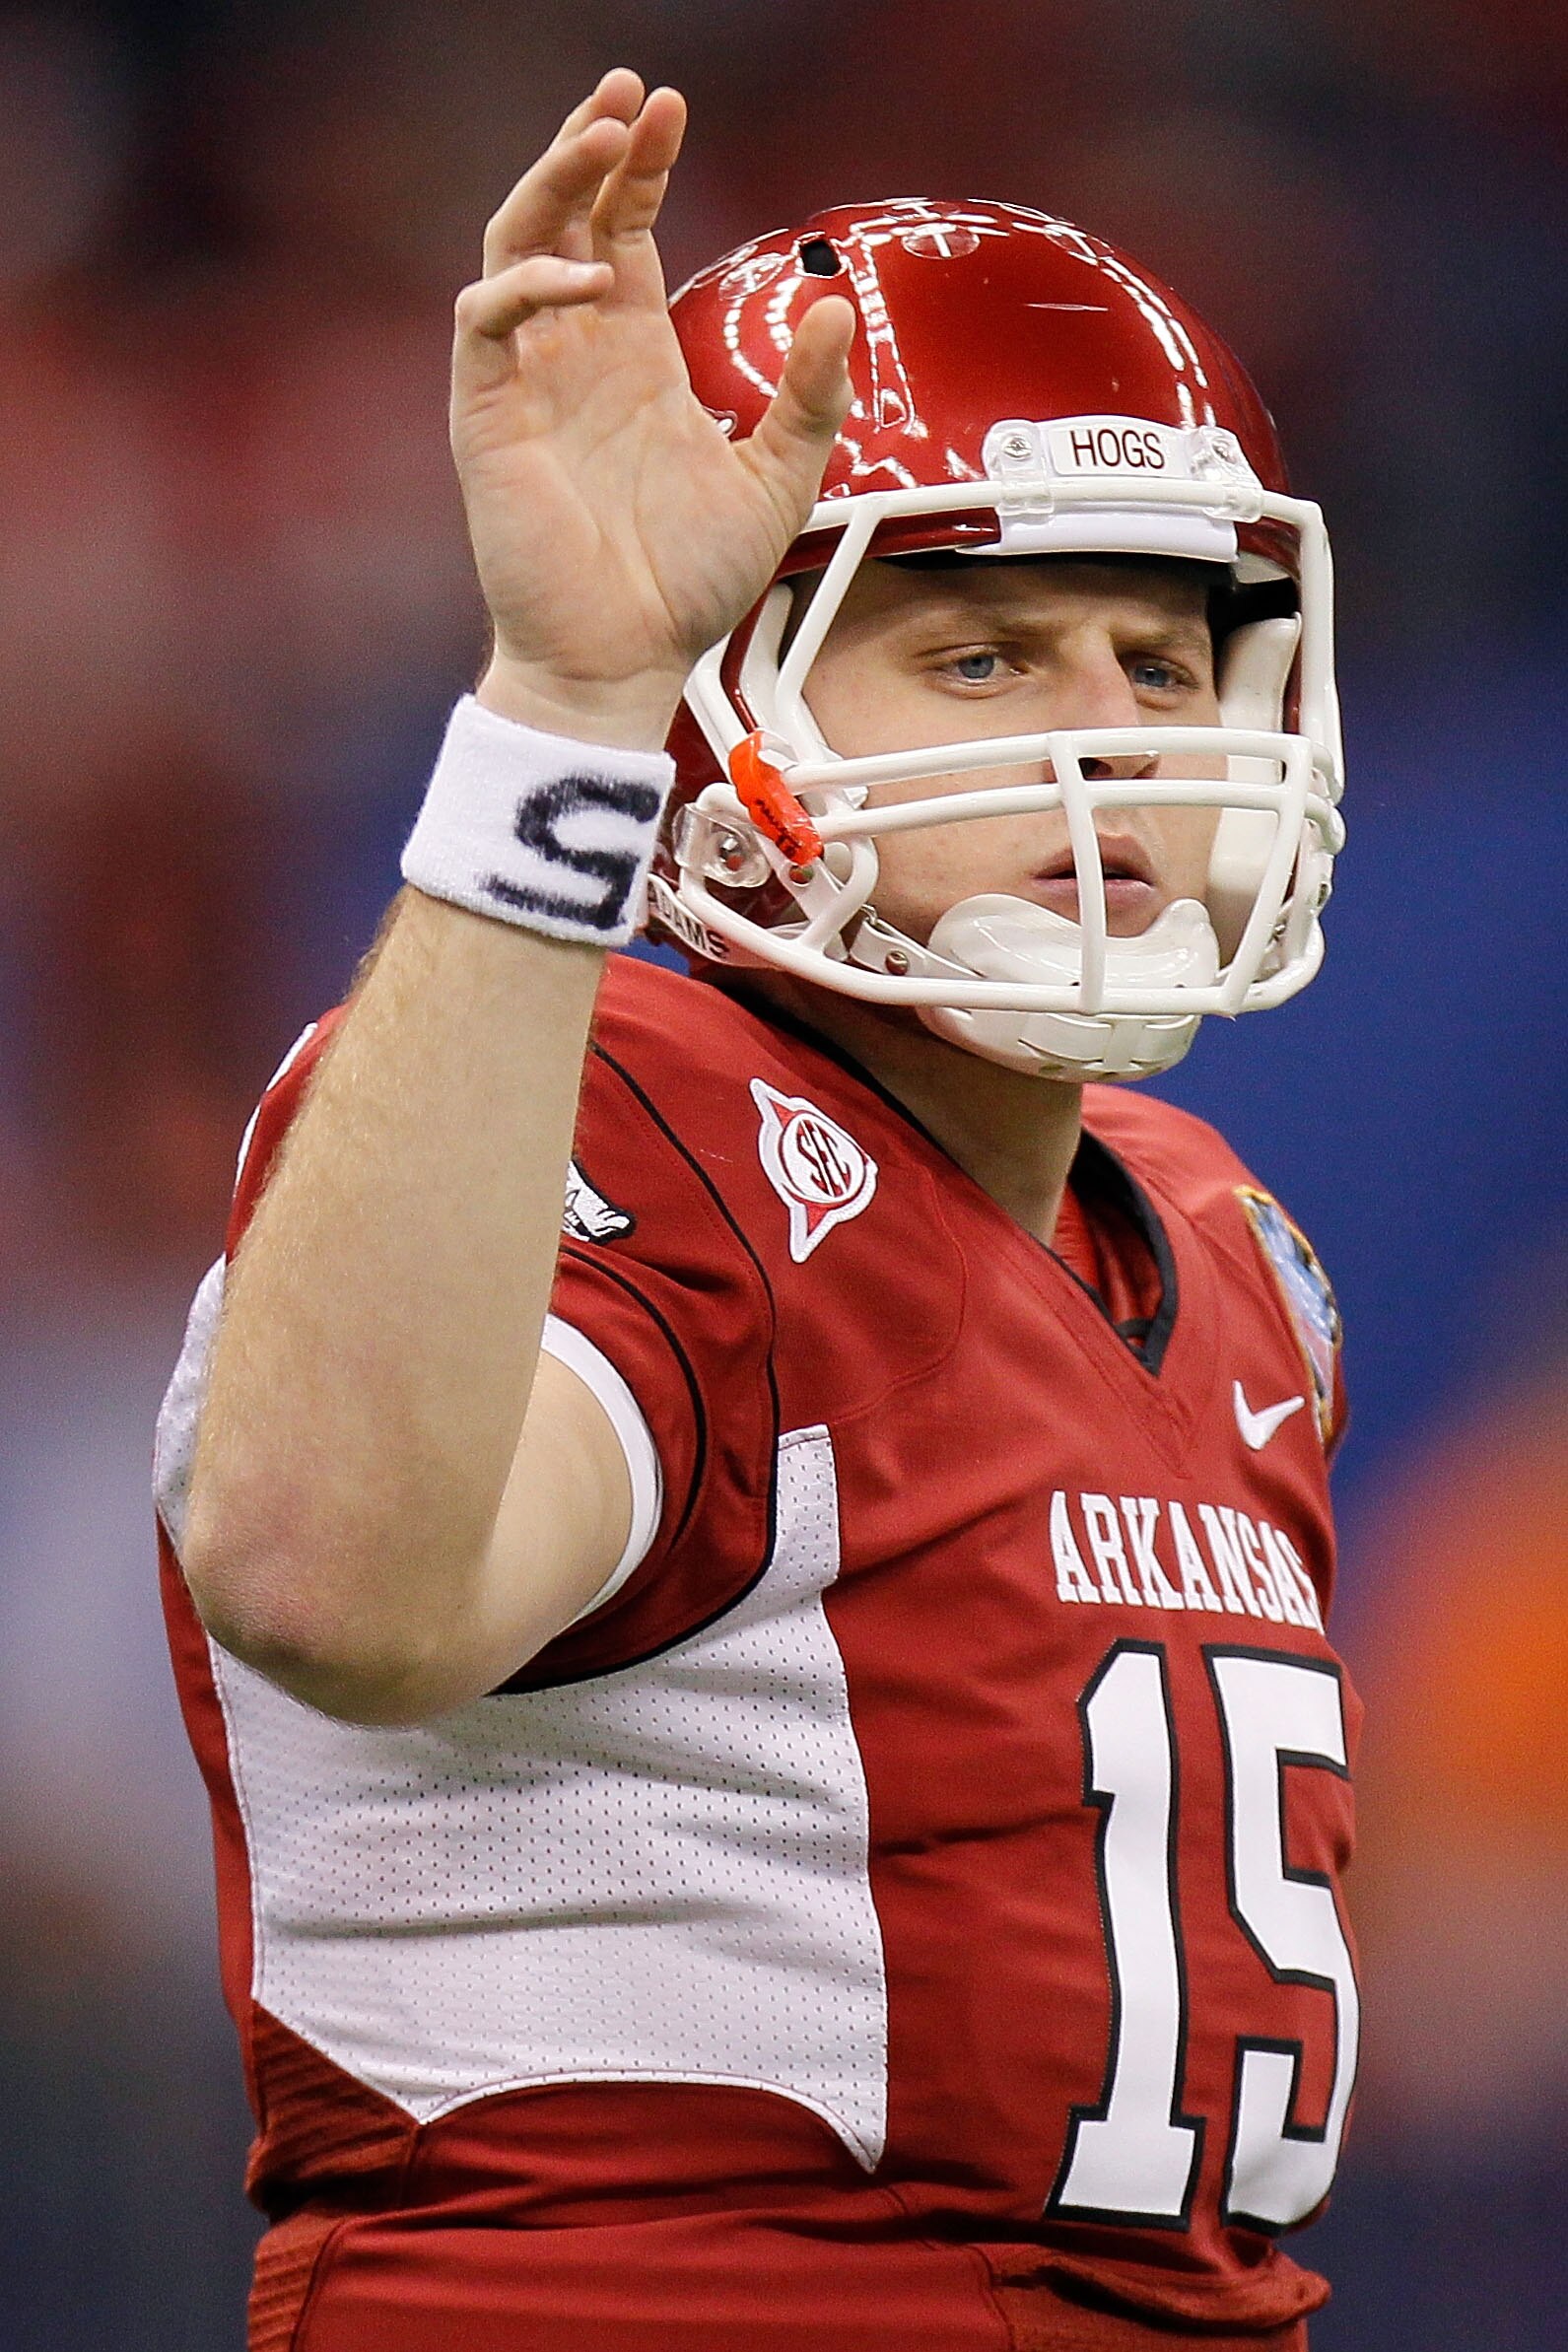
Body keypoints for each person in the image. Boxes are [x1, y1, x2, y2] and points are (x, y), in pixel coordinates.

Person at [156, 70, 1360, 2352]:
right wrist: (566, 707)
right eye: (985, 654)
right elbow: (334, 1573)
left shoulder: (1225, 1248)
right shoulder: (615, 1096)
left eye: (1164, 656)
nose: (1111, 739)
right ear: (744, 713)